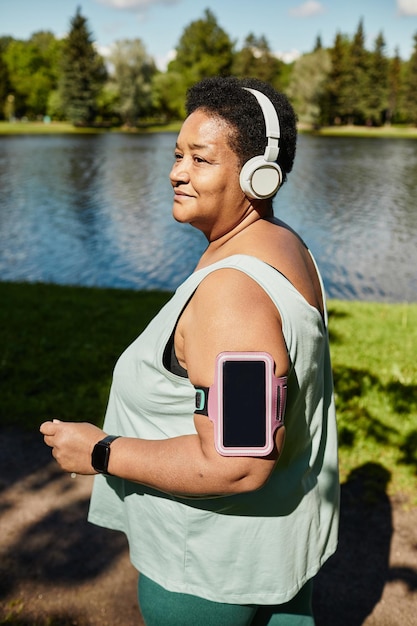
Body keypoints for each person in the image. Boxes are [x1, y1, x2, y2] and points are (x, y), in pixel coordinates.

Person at [41, 76, 339, 625]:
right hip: (271, 556)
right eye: (177, 155)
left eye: (200, 159)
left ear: (259, 175)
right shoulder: (287, 246)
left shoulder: (232, 296)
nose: (176, 172)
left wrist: (101, 452)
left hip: (206, 576)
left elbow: (237, 464)